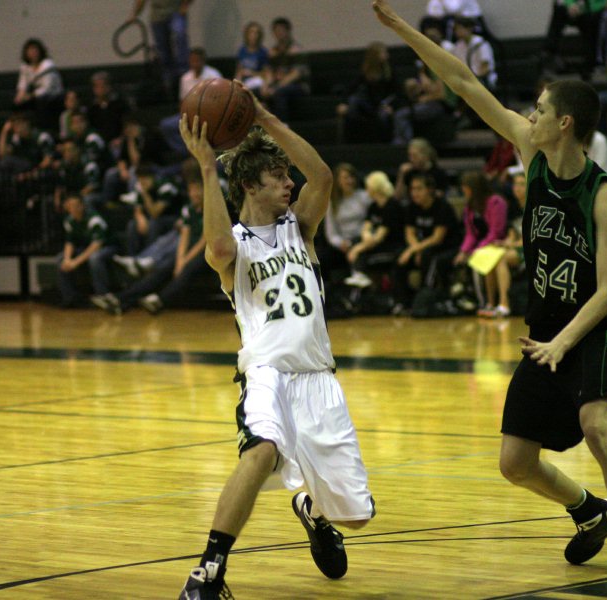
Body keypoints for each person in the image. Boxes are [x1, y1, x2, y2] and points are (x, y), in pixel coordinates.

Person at [373, 2, 607, 598]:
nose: (527, 115)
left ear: (564, 124)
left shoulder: (603, 194)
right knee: (514, 463)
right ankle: (591, 510)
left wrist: (563, 343)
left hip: (597, 327)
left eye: (538, 109)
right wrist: (406, 32)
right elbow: (463, 82)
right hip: (548, 326)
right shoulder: (530, 158)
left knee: (597, 425)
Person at [176, 89, 375, 598]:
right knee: (261, 451)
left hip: (318, 380)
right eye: (279, 177)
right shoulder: (235, 246)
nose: (290, 183)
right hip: (266, 372)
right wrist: (204, 166)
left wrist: (265, 118)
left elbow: (323, 176)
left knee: (357, 517)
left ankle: (314, 509)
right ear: (249, 184)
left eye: (289, 177)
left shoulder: (300, 229)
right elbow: (216, 247)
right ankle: (209, 573)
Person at [103, 177, 207, 315]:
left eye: (197, 190)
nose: (194, 194)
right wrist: (180, 258)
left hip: (206, 252)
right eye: (191, 190)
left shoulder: (212, 209)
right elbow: (185, 235)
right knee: (161, 269)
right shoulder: (189, 208)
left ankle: (159, 300)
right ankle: (120, 299)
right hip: (187, 251)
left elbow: (205, 240)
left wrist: (184, 261)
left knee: (188, 269)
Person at [393, 172, 462, 311]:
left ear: (429, 190)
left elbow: (437, 238)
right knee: (399, 257)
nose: (414, 193)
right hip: (423, 246)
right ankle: (403, 302)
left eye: (419, 189)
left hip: (446, 247)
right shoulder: (411, 207)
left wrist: (415, 250)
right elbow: (409, 233)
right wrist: (415, 249)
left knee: (427, 256)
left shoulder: (442, 207)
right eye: (412, 189)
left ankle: (425, 298)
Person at [343, 171, 405, 292]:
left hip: (391, 245)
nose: (367, 190)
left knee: (358, 248)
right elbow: (366, 226)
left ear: (374, 187)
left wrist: (358, 248)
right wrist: (366, 236)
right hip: (376, 243)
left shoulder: (391, 206)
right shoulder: (374, 206)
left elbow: (380, 236)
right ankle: (357, 274)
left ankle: (359, 273)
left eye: (368, 187)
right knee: (354, 241)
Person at [55, 195, 119, 309]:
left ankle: (102, 296)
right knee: (60, 259)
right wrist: (67, 259)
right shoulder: (69, 220)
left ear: (82, 206)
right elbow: (70, 242)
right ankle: (70, 298)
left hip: (108, 247)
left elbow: (96, 245)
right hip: (86, 247)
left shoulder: (94, 220)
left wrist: (75, 262)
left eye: (74, 206)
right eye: (69, 206)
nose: (72, 209)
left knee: (94, 258)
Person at [479, 171, 527, 318]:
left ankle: (504, 304)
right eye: (515, 184)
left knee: (501, 259)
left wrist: (512, 245)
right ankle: (491, 304)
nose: (517, 188)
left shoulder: (534, 206)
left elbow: (531, 238)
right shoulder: (513, 208)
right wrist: (504, 243)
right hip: (517, 247)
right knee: (489, 255)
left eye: (521, 184)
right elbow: (512, 234)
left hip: (532, 249)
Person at [160, 48, 223, 157]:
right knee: (166, 125)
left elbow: (221, 101)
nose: (194, 63)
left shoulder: (214, 75)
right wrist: (185, 116)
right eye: (192, 60)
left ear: (203, 61)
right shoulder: (185, 78)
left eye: (197, 60)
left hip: (209, 115)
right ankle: (190, 152)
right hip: (189, 115)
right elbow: (182, 100)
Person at [127, 0, 192, 96]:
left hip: (175, 12)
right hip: (157, 16)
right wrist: (134, 15)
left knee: (180, 35)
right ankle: (169, 80)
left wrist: (185, 6)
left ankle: (184, 72)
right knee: (163, 51)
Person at [336, 42, 398, 143]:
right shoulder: (365, 71)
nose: (387, 55)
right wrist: (343, 103)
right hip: (369, 105)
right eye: (383, 52)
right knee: (353, 103)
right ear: (375, 55)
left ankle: (383, 144)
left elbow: (397, 92)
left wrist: (393, 107)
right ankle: (352, 142)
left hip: (383, 105)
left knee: (383, 117)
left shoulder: (390, 71)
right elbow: (351, 88)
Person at [319, 163, 372, 277]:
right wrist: (340, 243)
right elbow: (331, 233)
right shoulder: (333, 203)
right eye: (345, 178)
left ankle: (358, 277)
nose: (349, 181)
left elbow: (372, 220)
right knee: (320, 258)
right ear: (338, 181)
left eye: (351, 177)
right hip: (343, 243)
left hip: (362, 239)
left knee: (357, 247)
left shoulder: (364, 196)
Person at [261, 17, 310, 123]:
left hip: (298, 86)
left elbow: (295, 74)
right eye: (276, 31)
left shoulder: (296, 50)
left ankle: (283, 126)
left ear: (288, 31)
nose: (279, 33)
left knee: (279, 93)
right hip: (277, 85)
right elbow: (269, 72)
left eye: (281, 30)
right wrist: (266, 86)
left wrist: (276, 87)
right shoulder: (273, 52)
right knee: (258, 93)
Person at [13, 38, 64, 131]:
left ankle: (43, 131)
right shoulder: (25, 67)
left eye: (35, 50)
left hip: (53, 97)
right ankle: (20, 131)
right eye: (30, 51)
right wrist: (19, 96)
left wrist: (29, 96)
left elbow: (47, 89)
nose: (33, 53)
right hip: (35, 96)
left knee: (41, 102)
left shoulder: (48, 65)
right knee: (16, 104)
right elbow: (23, 84)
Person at [393, 137, 449, 202]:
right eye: (410, 155)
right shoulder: (409, 172)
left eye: (415, 156)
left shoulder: (439, 173)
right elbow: (397, 197)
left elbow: (440, 195)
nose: (411, 159)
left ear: (425, 155)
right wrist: (401, 174)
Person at [235, 22, 269, 93]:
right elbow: (239, 71)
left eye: (256, 33)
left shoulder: (263, 52)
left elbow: (266, 73)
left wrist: (252, 73)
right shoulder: (242, 51)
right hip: (244, 80)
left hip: (257, 80)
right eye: (251, 32)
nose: (253, 35)